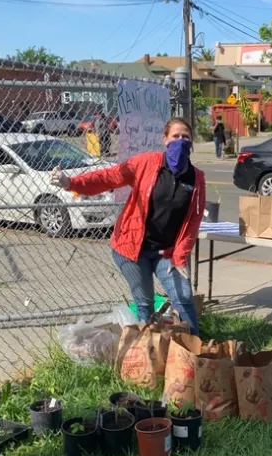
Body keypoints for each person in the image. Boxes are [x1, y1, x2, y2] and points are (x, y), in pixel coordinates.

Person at [50, 117, 206, 335]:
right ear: (165, 139)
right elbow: (110, 177)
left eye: (185, 137)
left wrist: (181, 254)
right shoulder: (146, 163)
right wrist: (72, 183)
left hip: (167, 252)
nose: (180, 141)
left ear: (192, 142)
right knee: (145, 304)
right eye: (175, 136)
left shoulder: (197, 177)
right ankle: (148, 353)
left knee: (184, 297)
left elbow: (194, 219)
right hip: (133, 248)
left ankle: (192, 348)